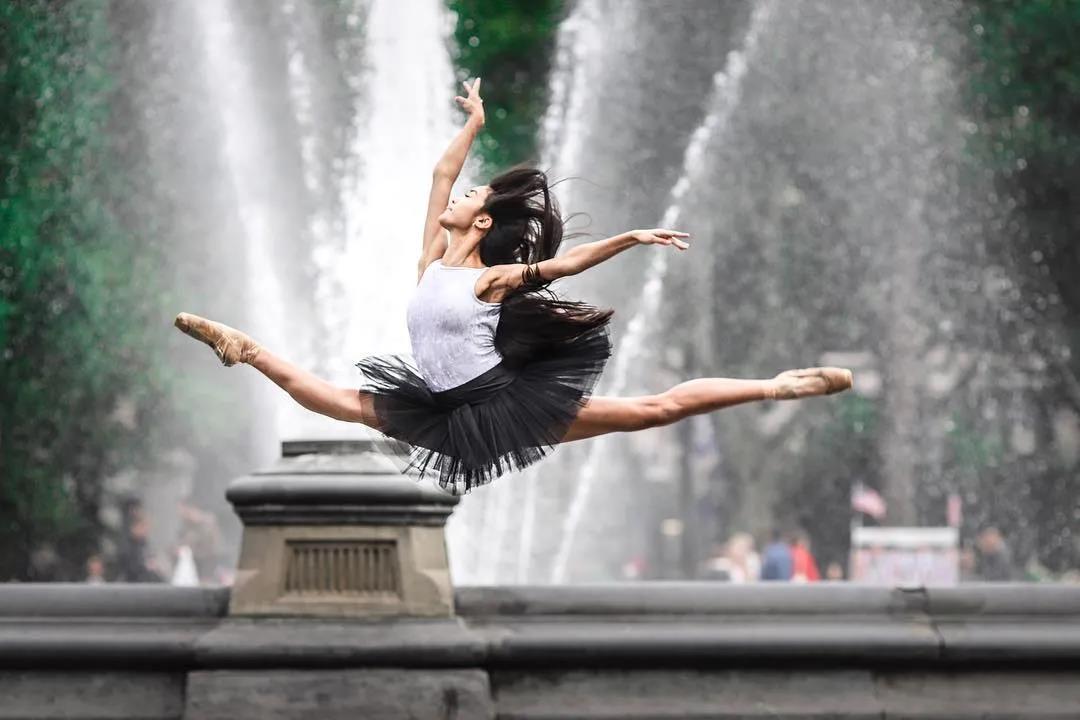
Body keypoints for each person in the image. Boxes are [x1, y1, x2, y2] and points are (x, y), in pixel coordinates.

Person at [173, 78, 854, 495]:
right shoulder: (431, 263)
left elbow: (563, 267)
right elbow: (440, 177)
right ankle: (245, 348)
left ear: (483, 221)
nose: (457, 195)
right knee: (339, 405)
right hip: (443, 409)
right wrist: (472, 125)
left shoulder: (490, 280)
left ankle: (777, 386)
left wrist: (630, 238)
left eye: (471, 196)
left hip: (505, 404)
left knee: (654, 409)